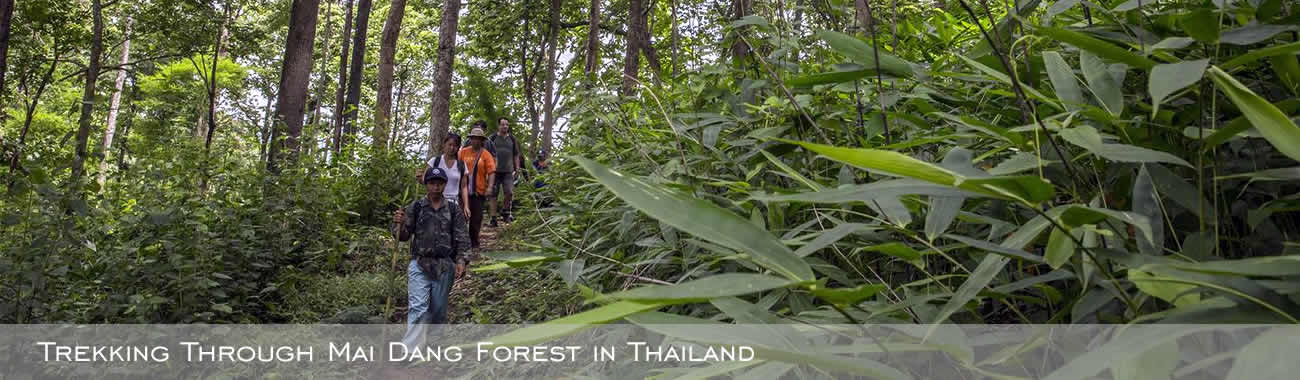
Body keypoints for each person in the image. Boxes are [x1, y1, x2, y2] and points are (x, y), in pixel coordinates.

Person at [391, 167, 471, 349]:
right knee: (418, 307)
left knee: (438, 310)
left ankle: (433, 346)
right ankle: (410, 350)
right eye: (432, 183)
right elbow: (402, 236)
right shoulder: (416, 207)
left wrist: (461, 261)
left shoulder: (453, 209)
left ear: (444, 185)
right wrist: (398, 223)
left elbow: (462, 236)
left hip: (444, 265)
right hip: (419, 263)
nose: (436, 187)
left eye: (439, 183)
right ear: (426, 185)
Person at [459, 127, 496, 249]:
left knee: (476, 219)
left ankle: (474, 242)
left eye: (478, 139)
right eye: (473, 138)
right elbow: (454, 165)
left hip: (478, 192)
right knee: (461, 218)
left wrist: (490, 187)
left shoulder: (486, 154)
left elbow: (491, 172)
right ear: (470, 139)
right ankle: (461, 243)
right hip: (462, 191)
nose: (475, 141)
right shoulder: (463, 152)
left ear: (482, 140)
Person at [425, 133, 470, 217]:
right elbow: (425, 180)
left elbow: (464, 187)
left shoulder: (461, 165)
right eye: (449, 145)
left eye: (455, 146)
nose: (452, 148)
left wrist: (466, 206)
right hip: (435, 201)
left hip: (453, 203)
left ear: (458, 148)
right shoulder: (434, 162)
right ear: (444, 145)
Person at [488, 117, 522, 227]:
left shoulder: (512, 139)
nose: (505, 126)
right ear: (498, 126)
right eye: (503, 124)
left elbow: (516, 154)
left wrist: (517, 168)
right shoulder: (492, 138)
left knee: (509, 192)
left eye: (507, 124)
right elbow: (486, 154)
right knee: (494, 194)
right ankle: (493, 218)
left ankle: (506, 212)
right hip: (495, 171)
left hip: (508, 171)